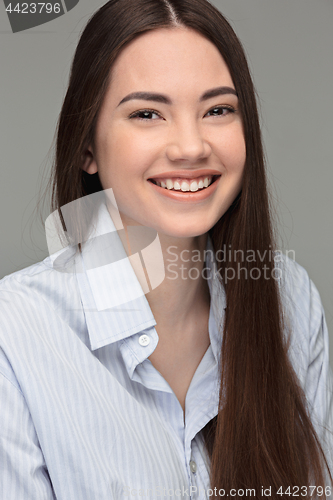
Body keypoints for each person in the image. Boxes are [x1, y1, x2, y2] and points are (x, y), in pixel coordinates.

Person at [0, 0, 332, 498]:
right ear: (87, 146)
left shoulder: (291, 300)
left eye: (218, 109)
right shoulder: (15, 337)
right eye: (147, 113)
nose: (190, 146)